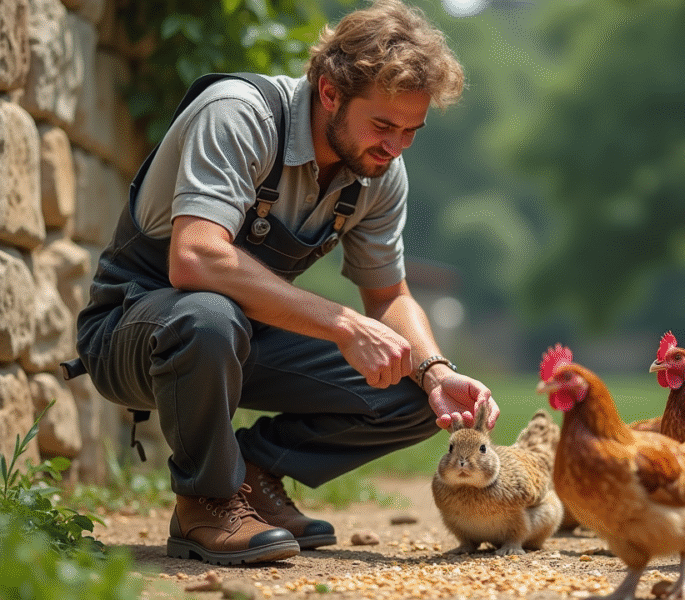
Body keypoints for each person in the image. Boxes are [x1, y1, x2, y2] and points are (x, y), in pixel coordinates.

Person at [74, 0, 499, 565]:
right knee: (208, 315)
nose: (395, 147)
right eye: (383, 126)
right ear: (329, 92)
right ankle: (209, 499)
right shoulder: (239, 115)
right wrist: (341, 323)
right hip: (137, 329)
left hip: (243, 332)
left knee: (418, 396)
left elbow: (389, 296)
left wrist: (438, 373)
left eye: (411, 131)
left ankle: (251, 472)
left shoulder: (378, 172)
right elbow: (195, 258)